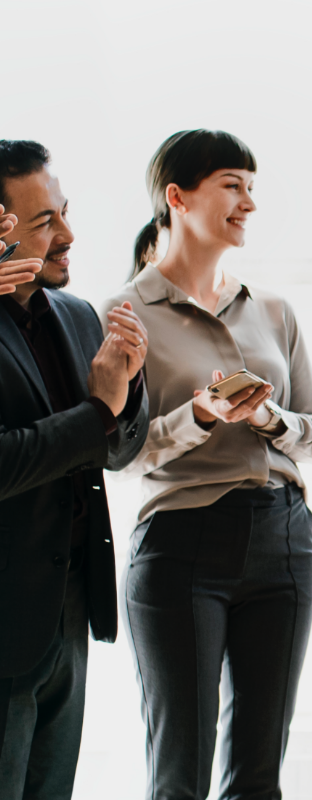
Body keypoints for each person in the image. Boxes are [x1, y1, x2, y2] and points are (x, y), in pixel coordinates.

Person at [102, 130, 312, 800]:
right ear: (176, 197)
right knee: (180, 777)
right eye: (233, 184)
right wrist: (199, 415)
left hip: (285, 541)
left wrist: (268, 419)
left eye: (252, 188)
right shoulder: (122, 317)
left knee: (258, 779)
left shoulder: (274, 311)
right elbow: (117, 455)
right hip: (181, 547)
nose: (249, 203)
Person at [0, 140, 149, 799]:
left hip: (70, 611)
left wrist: (130, 388)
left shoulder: (78, 314)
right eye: (44, 223)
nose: (68, 235)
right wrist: (100, 408)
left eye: (64, 212)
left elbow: (116, 449)